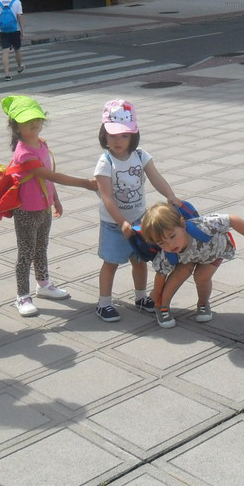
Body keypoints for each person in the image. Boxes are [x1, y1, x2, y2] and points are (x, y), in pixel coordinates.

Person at [2, 95, 98, 317]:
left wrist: (55, 199)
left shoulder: (41, 143)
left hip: (43, 207)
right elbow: (50, 174)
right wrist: (85, 183)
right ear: (15, 126)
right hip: (26, 210)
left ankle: (43, 284)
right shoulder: (24, 152)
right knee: (25, 252)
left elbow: (47, 180)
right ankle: (22, 296)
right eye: (27, 121)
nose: (34, 124)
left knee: (41, 247)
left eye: (37, 119)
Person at [94, 98, 181, 322]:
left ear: (134, 134)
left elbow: (156, 178)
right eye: (112, 135)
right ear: (104, 135)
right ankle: (104, 303)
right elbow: (107, 197)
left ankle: (141, 297)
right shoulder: (105, 162)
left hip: (139, 221)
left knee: (139, 260)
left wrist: (170, 195)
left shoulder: (141, 155)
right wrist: (121, 221)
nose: (118, 140)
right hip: (115, 224)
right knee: (111, 262)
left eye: (124, 135)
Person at [139, 202, 244, 329]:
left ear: (182, 223)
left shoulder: (204, 226)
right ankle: (162, 306)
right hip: (187, 258)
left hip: (213, 253)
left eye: (172, 236)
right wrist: (156, 292)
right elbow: (161, 274)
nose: (170, 245)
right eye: (161, 243)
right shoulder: (168, 253)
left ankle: (203, 303)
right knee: (180, 273)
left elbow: (232, 219)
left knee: (202, 277)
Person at [0, 0, 25, 81]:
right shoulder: (17, 2)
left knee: (5, 52)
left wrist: (0, 26)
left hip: (3, 31)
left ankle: (7, 74)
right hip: (15, 30)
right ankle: (19, 67)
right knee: (17, 49)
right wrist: (22, 31)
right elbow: (19, 17)